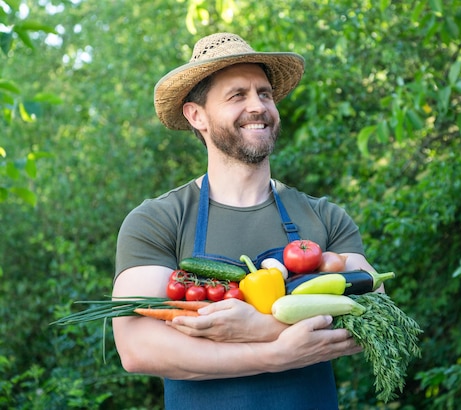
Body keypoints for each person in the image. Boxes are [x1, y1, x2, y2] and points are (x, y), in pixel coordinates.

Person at [112, 32, 378, 410]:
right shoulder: (158, 221)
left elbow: (376, 311)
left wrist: (259, 328)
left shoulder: (323, 217)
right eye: (237, 95)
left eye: (265, 93)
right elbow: (138, 348)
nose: (258, 106)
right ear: (196, 115)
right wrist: (274, 354)